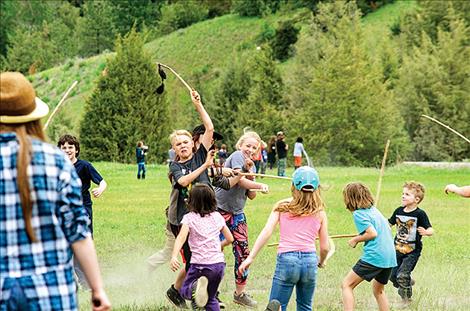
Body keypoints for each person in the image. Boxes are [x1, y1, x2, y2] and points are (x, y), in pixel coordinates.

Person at [0, 71, 110, 310]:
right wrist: (98, 288)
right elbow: (78, 234)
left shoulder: (59, 160)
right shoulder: (57, 162)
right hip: (50, 291)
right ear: (33, 117)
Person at [239, 166, 329, 311]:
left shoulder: (283, 206)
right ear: (317, 188)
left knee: (277, 305)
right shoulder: (320, 212)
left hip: (287, 260)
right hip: (310, 262)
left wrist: (251, 257)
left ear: (293, 186)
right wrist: (322, 261)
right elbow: (325, 247)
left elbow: (267, 231)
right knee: (305, 306)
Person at [165, 90, 217, 309]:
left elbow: (210, 128)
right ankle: (195, 297)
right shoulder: (175, 166)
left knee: (203, 256)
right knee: (195, 259)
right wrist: (205, 166)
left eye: (186, 142)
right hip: (182, 219)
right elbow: (184, 182)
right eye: (178, 144)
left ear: (192, 143)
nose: (183, 145)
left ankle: (175, 291)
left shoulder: (199, 154)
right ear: (175, 149)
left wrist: (198, 104)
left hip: (205, 216)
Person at [215, 131, 269, 308]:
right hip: (220, 211)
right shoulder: (237, 156)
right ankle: (212, 293)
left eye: (254, 148)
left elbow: (251, 195)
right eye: (248, 145)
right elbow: (240, 182)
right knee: (216, 253)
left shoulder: (249, 164)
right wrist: (259, 184)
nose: (250, 150)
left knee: (243, 252)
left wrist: (252, 174)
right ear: (240, 145)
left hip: (237, 213)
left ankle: (239, 294)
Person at [170, 184, 234, 310]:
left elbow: (181, 238)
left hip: (199, 265)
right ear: (213, 200)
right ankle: (199, 290)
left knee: (184, 291)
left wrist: (174, 256)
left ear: (191, 201)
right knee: (211, 299)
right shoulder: (217, 217)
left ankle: (195, 287)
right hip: (218, 265)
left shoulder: (189, 218)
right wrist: (219, 246)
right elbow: (230, 238)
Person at [58, 134, 108, 288]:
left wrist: (100, 189)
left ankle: (86, 282)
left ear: (76, 150)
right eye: (64, 147)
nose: (67, 150)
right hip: (62, 210)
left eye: (70, 147)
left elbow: (103, 181)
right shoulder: (57, 167)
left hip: (82, 210)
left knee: (82, 244)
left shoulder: (85, 166)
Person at [341, 182, 397, 311]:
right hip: (389, 257)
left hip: (375, 256)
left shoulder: (358, 214)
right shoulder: (374, 210)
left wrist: (356, 239)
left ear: (350, 198)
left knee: (347, 285)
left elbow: (372, 233)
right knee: (379, 290)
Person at [388, 182, 433, 303]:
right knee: (392, 276)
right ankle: (406, 282)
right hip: (397, 249)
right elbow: (389, 223)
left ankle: (406, 300)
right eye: (402, 194)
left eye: (407, 194)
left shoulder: (420, 214)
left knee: (401, 275)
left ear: (416, 199)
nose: (403, 196)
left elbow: (431, 229)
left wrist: (426, 232)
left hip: (412, 252)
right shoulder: (398, 210)